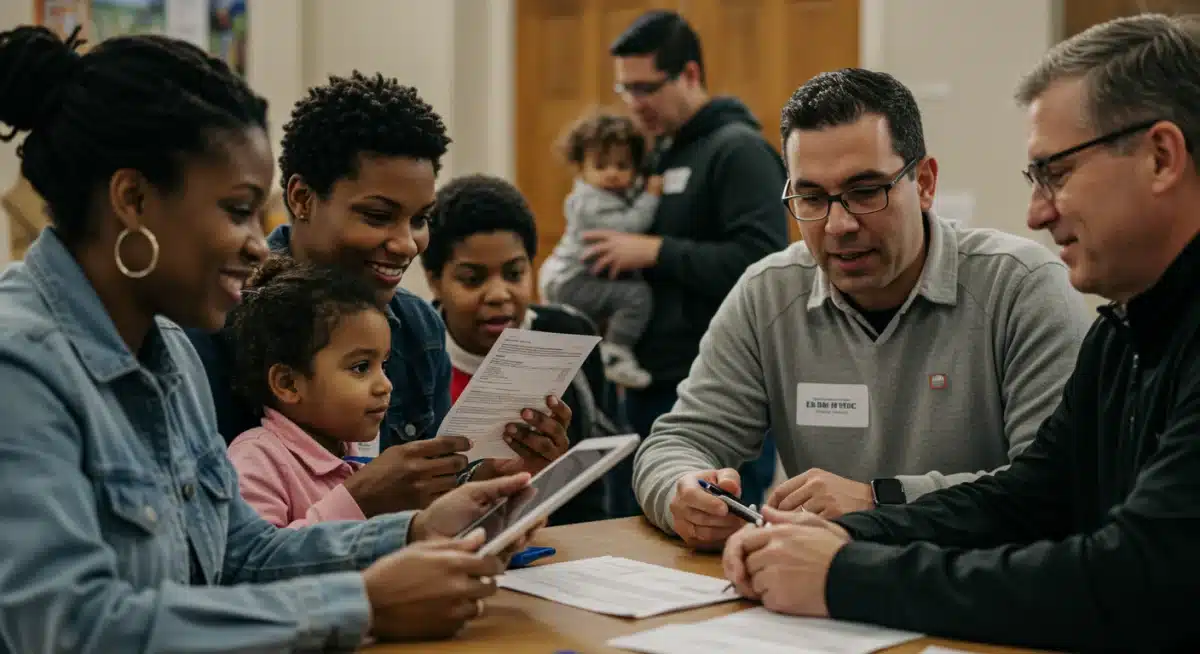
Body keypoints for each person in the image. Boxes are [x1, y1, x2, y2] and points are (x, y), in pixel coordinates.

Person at [0, 25, 539, 650]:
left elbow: (239, 555)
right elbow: (67, 625)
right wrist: (359, 606)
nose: (260, 243)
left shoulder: (165, 349)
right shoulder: (21, 365)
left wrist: (414, 531)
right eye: (237, 210)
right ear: (133, 198)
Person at [722, 14, 1200, 651]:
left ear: (1161, 157)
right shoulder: (1125, 329)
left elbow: (1131, 580)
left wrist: (844, 575)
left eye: (1055, 173)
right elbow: (1029, 497)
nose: (1037, 212)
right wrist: (848, 536)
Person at [635, 68, 1091, 550]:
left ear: (926, 183)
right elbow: (676, 441)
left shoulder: (1020, 288)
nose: (838, 225)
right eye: (811, 198)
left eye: (866, 192)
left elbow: (1055, 489)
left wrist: (882, 501)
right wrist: (681, 493)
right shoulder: (768, 293)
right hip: (822, 596)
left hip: (977, 595)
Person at [186, 72, 573, 513]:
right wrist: (363, 499)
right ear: (302, 198)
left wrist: (499, 476)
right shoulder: (212, 326)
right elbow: (220, 551)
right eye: (377, 216)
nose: (406, 243)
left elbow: (435, 501)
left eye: (420, 219)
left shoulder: (418, 329)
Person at [602, 10, 790, 514]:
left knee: (719, 538)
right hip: (652, 379)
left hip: (721, 396)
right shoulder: (662, 154)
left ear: (689, 75)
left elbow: (763, 264)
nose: (634, 105)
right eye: (626, 91)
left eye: (646, 88)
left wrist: (655, 251)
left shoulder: (739, 151)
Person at [423, 174, 619, 525]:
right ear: (434, 279)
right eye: (472, 279)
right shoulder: (412, 353)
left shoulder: (569, 335)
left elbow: (600, 479)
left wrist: (557, 471)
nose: (499, 294)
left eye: (514, 274)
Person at [225, 255, 402, 527]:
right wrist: (356, 500)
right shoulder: (258, 459)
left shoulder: (353, 452)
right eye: (361, 367)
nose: (385, 385)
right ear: (288, 384)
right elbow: (258, 559)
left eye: (384, 365)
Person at [539, 110, 660, 389]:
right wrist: (651, 197)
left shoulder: (606, 193)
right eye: (602, 165)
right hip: (573, 281)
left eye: (622, 165)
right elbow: (629, 226)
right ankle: (615, 354)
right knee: (637, 297)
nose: (612, 173)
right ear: (581, 168)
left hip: (573, 278)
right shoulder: (588, 202)